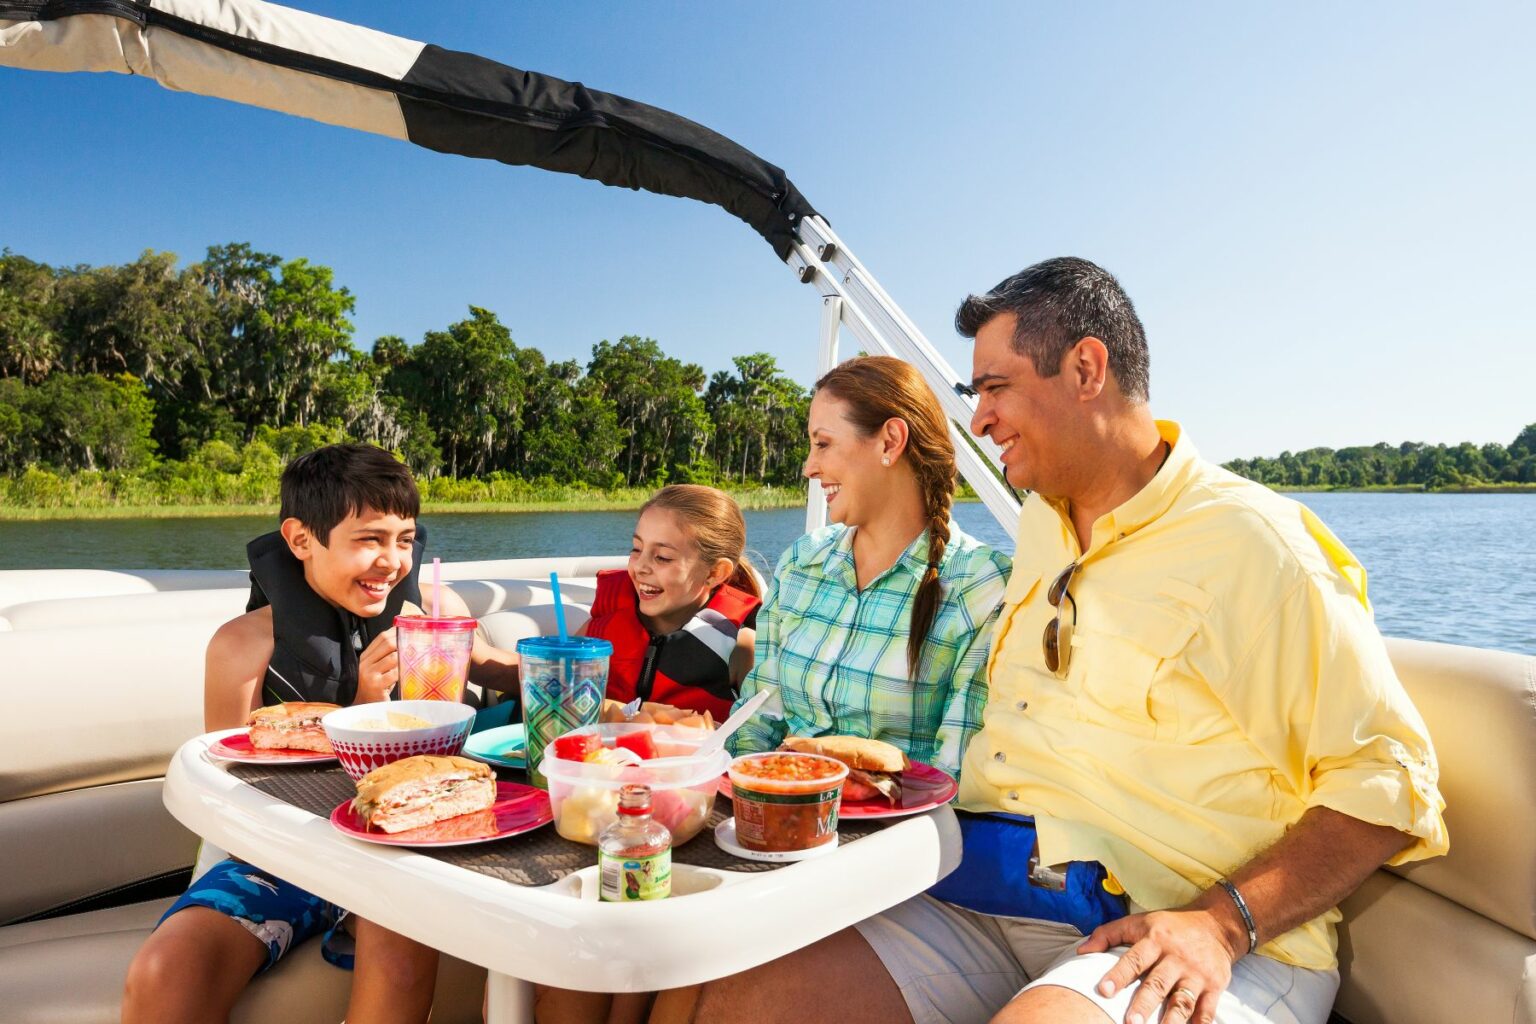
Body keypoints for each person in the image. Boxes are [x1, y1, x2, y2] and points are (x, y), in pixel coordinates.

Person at [690, 259, 1448, 1024]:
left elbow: (1390, 777)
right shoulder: (1045, 530)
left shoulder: (1256, 547)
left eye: (995, 388)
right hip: (987, 896)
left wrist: (1222, 922)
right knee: (734, 994)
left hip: (1185, 931)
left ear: (1087, 368)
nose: (978, 420)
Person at [122, 443, 517, 1024]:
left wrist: (548, 672)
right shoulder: (242, 648)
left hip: (408, 849)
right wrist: (360, 711)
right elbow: (231, 793)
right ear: (301, 539)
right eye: (369, 539)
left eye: (405, 539)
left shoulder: (436, 613)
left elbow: (501, 673)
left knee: (400, 953)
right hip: (282, 854)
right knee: (168, 967)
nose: (392, 561)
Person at [730, 354, 1011, 782]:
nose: (809, 467)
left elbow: (953, 775)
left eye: (823, 443)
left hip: (901, 836)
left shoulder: (980, 585)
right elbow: (754, 725)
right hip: (777, 815)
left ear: (889, 442)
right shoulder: (801, 563)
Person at [584, 484, 761, 720]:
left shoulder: (742, 647)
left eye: (662, 557)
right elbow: (547, 677)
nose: (639, 567)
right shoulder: (600, 628)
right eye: (637, 548)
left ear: (715, 572)